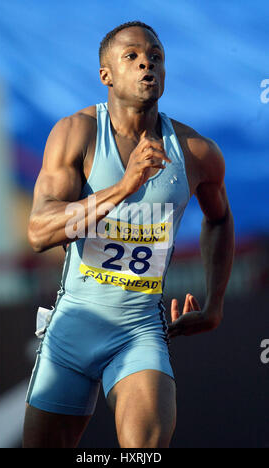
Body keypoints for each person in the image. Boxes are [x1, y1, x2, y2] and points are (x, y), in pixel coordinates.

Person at [23, 21, 235, 448]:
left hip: (138, 332)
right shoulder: (76, 134)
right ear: (107, 75)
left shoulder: (195, 152)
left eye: (155, 57)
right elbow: (38, 231)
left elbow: (219, 219)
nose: (146, 64)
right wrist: (123, 186)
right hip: (72, 329)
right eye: (132, 57)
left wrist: (214, 303)